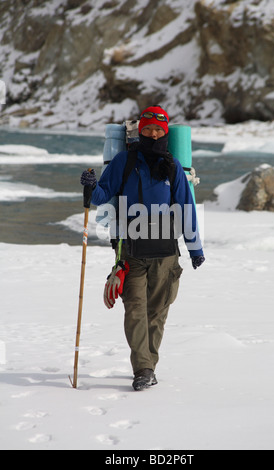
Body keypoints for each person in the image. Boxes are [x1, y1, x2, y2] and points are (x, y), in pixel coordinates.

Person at [81, 105, 205, 391]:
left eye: (158, 130)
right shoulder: (124, 161)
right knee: (135, 310)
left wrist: (195, 248)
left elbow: (186, 209)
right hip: (131, 253)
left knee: (156, 314)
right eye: (147, 129)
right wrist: (90, 187)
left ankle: (148, 364)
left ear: (165, 133)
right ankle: (144, 369)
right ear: (141, 131)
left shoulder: (172, 166)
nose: (152, 134)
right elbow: (104, 193)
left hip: (165, 253)